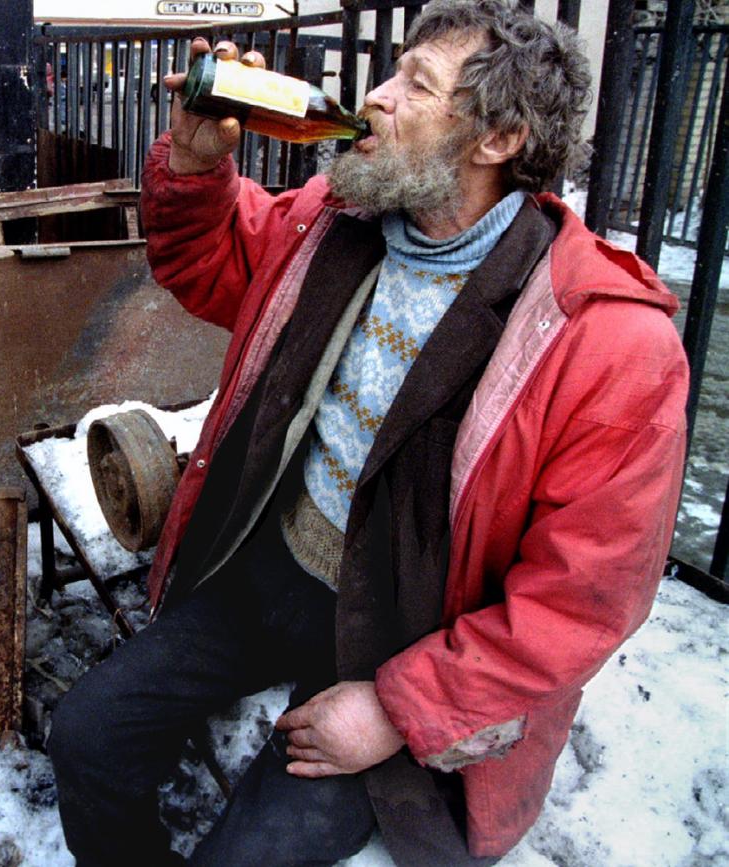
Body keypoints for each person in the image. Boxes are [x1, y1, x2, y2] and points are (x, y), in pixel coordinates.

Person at [47, 2, 689, 864]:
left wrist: (398, 706)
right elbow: (214, 264)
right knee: (86, 734)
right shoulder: (335, 221)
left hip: (410, 636)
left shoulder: (603, 338)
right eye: (391, 72)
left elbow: (583, 600)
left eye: (414, 84)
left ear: (495, 139)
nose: (375, 97)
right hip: (272, 570)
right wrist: (196, 171)